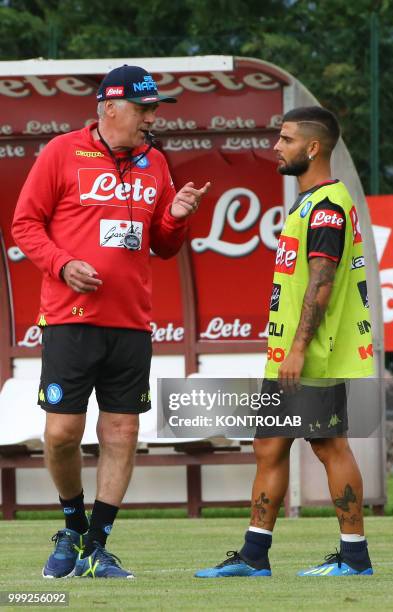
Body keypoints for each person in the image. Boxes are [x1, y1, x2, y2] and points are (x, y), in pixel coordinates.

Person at [12, 64, 210, 579]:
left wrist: (178, 214)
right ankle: (73, 525)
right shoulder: (60, 152)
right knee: (61, 433)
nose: (150, 118)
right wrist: (62, 264)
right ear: (109, 108)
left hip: (132, 323)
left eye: (153, 110)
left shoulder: (157, 164)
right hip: (69, 319)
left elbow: (164, 246)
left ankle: (98, 546)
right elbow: (24, 224)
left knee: (122, 431)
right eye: (143, 109)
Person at [195, 106, 374, 578]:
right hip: (290, 354)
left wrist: (297, 349)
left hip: (311, 354)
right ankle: (255, 557)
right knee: (269, 447)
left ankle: (354, 557)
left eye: (286, 138)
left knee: (328, 446)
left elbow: (322, 281)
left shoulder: (327, 207)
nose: (277, 145)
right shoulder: (307, 202)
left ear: (312, 148)